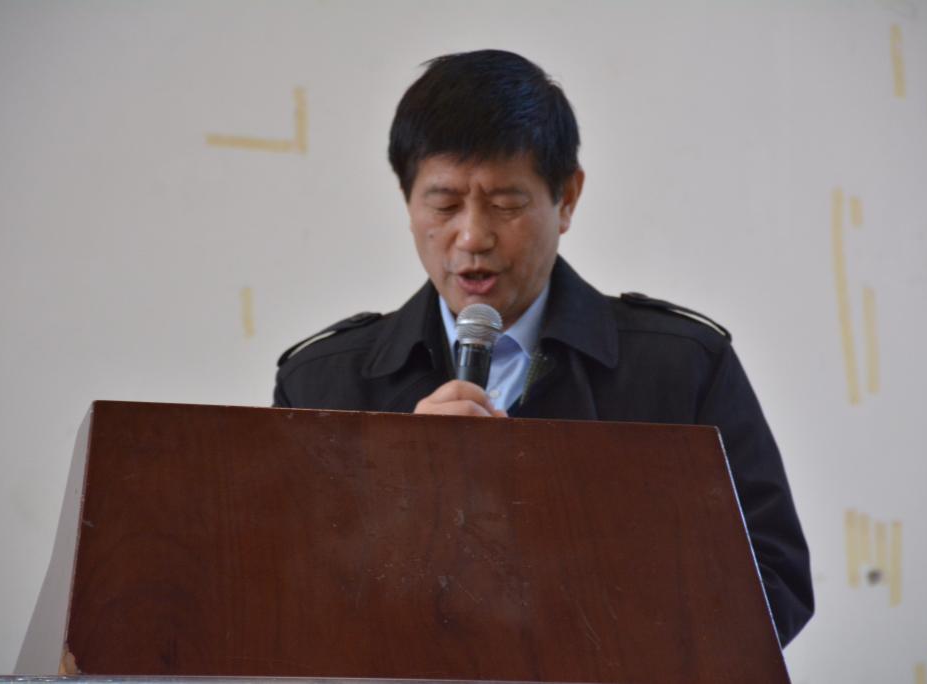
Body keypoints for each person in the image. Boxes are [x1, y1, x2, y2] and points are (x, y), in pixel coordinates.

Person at [273, 49, 813, 645]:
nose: (472, 236)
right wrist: (400, 488)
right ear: (407, 202)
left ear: (568, 198)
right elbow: (284, 605)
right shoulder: (321, 383)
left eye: (506, 204)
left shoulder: (682, 367)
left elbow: (773, 584)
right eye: (444, 204)